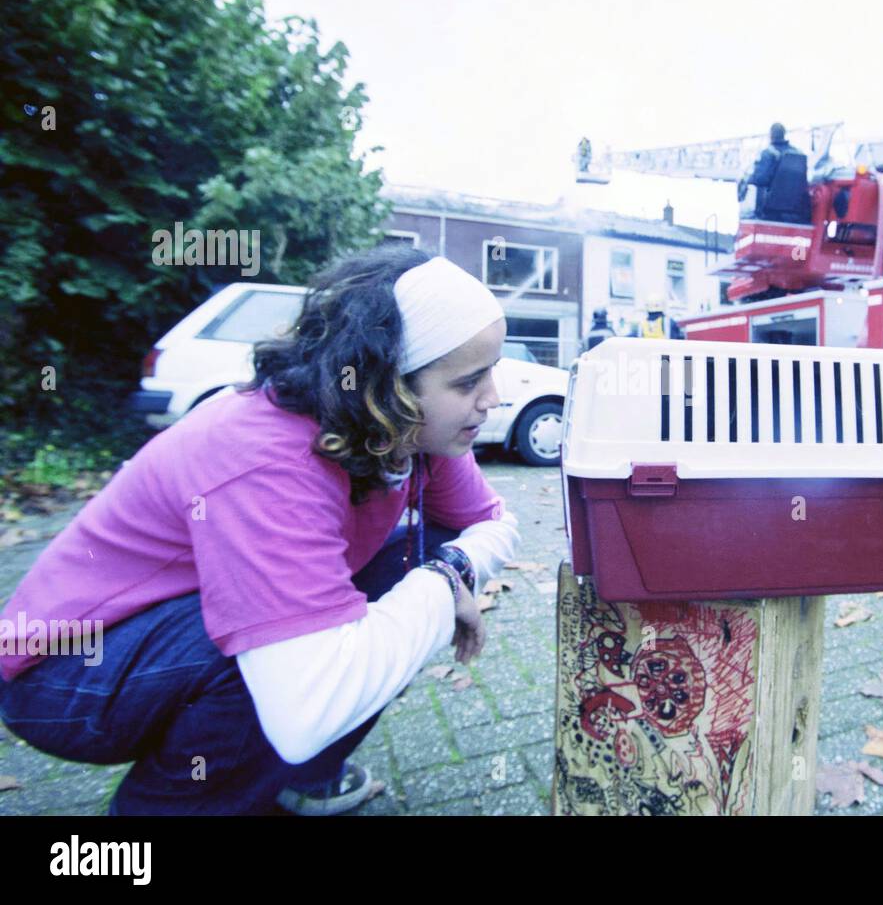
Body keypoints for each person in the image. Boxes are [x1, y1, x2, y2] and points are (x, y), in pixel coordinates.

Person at [0, 247, 522, 815]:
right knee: (297, 651)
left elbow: (494, 522)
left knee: (385, 590)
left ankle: (303, 779)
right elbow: (308, 705)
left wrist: (453, 568)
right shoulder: (264, 457)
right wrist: (442, 587)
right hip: (61, 678)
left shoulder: (410, 429)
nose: (493, 399)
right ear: (385, 382)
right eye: (469, 381)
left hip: (161, 639)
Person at [736, 122, 812, 223]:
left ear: (770, 135)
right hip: (796, 212)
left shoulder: (768, 153)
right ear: (784, 134)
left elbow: (760, 179)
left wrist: (748, 178)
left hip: (770, 212)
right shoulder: (799, 154)